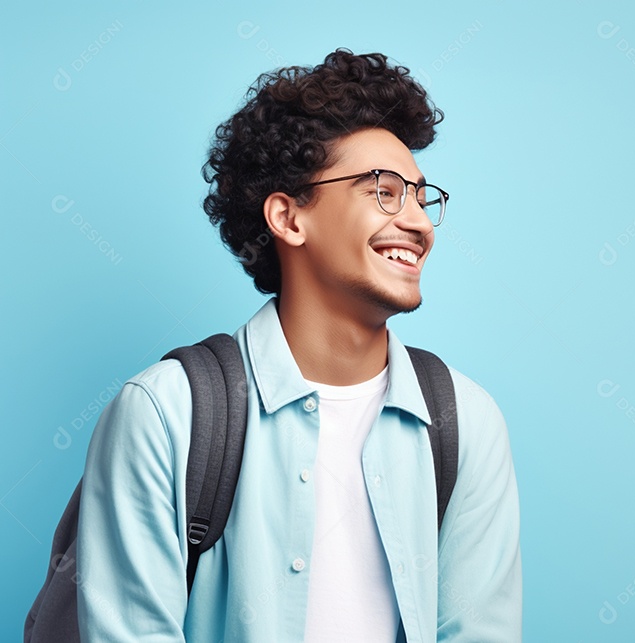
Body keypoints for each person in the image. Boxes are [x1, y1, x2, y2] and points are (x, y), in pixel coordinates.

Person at [75, 49, 522, 642]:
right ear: (288, 218)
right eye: (385, 192)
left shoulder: (466, 422)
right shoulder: (165, 414)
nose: (419, 223)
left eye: (421, 196)